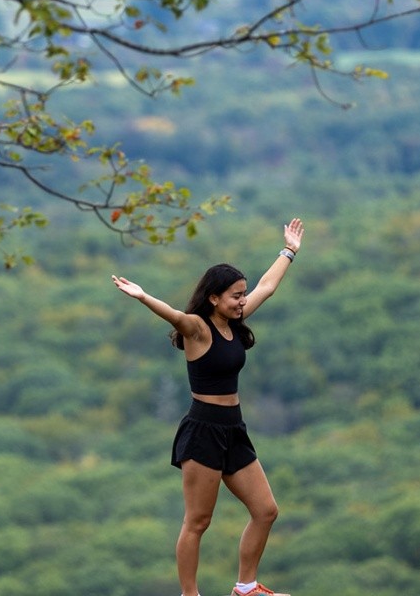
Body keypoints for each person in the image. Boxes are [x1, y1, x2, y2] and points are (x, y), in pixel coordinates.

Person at [111, 218, 304, 596]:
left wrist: (289, 251)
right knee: (198, 521)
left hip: (234, 429)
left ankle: (245, 587)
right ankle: (190, 593)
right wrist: (144, 296)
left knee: (266, 511)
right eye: (235, 295)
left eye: (242, 294)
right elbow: (177, 317)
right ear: (214, 297)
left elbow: (267, 286)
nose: (242, 300)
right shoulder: (199, 329)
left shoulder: (237, 321)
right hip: (203, 431)